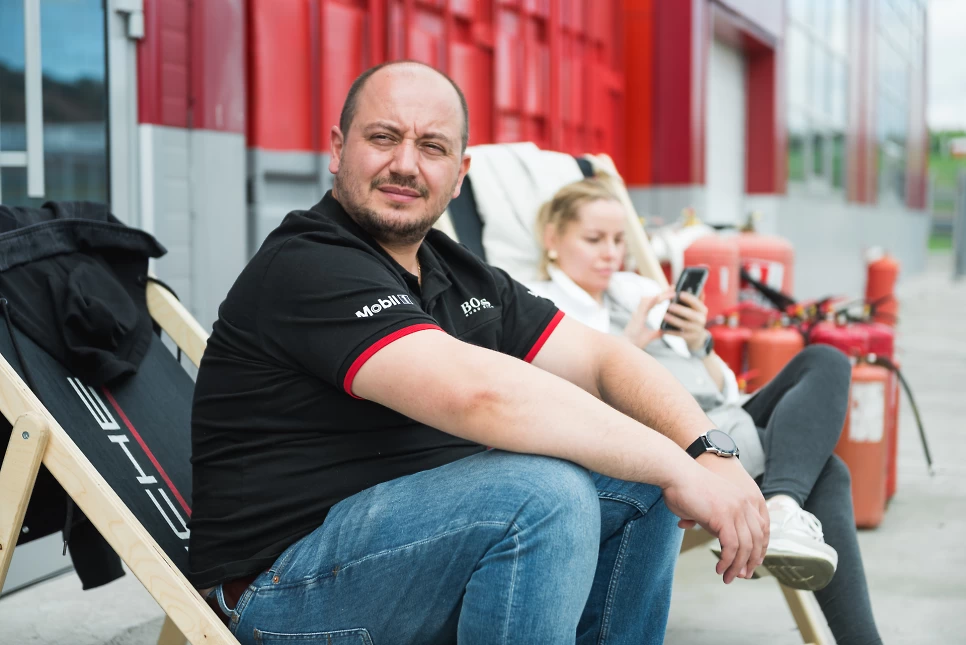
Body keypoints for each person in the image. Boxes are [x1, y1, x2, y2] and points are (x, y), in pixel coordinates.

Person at [188, 61, 770, 645]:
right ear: (339, 150)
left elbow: (604, 360)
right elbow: (480, 396)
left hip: (412, 555)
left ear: (459, 174)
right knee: (545, 495)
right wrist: (676, 466)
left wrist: (706, 452)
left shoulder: (456, 272)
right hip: (284, 589)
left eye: (432, 147)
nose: (405, 164)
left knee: (642, 480)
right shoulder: (309, 262)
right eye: (384, 137)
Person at [527, 177, 883, 645]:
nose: (610, 253)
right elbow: (554, 404)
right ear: (553, 239)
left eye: (618, 240)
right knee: (827, 471)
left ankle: (780, 504)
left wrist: (700, 344)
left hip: (722, 420)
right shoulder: (540, 306)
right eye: (594, 240)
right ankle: (785, 510)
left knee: (826, 360)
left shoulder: (637, 289)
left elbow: (723, 389)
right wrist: (626, 349)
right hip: (677, 443)